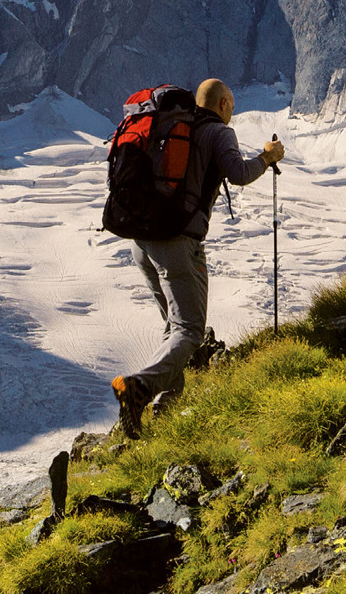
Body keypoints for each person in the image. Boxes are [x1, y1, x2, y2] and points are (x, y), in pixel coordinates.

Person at [112, 79, 284, 438]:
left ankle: (166, 411)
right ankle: (139, 388)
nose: (232, 112)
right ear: (223, 105)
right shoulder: (218, 133)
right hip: (175, 241)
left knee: (174, 326)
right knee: (189, 331)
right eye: (232, 105)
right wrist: (267, 157)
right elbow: (238, 174)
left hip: (141, 240)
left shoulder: (174, 125)